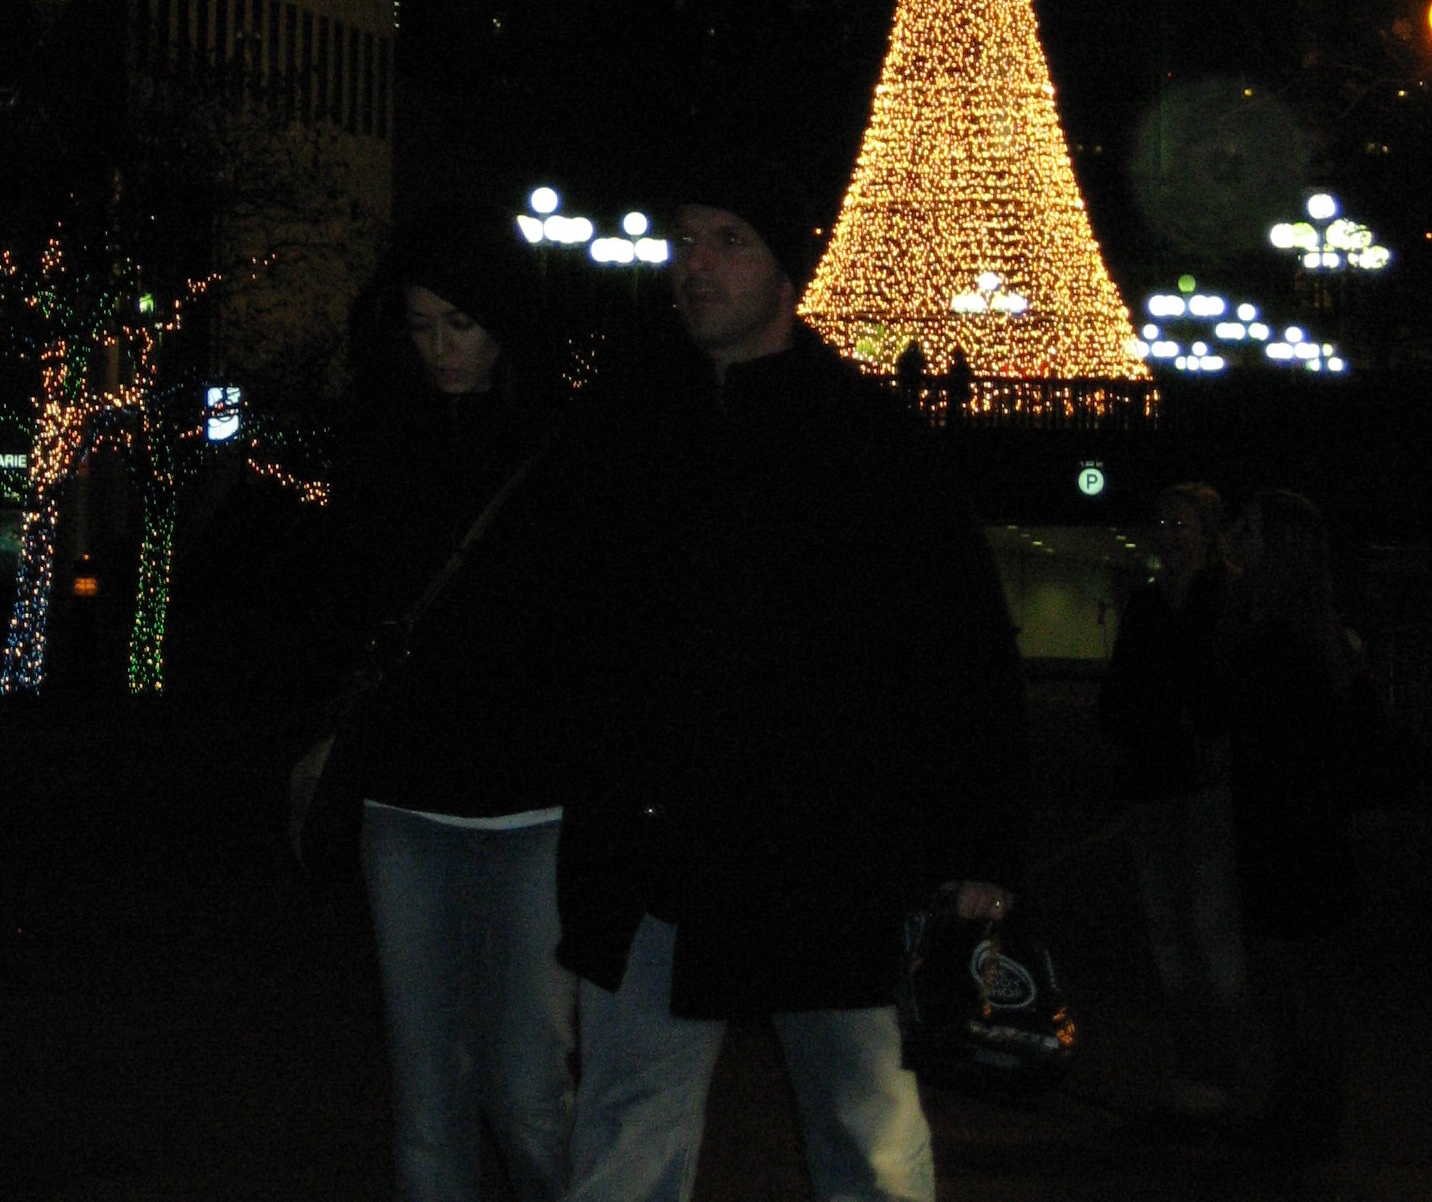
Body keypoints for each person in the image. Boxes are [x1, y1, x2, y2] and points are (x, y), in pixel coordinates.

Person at [556, 158, 1026, 1202]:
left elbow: (960, 652)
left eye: (731, 240)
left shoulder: (873, 442)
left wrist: (977, 842)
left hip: (825, 854)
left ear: (784, 268)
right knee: (631, 1134)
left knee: (864, 1134)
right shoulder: (632, 428)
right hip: (660, 848)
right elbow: (579, 631)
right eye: (685, 238)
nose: (697, 265)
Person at [297, 204, 574, 1202]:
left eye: (460, 323)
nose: (441, 348)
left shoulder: (558, 446)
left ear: (504, 322)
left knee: (528, 1090)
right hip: (407, 805)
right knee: (426, 1096)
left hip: (533, 811)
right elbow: (337, 607)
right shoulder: (381, 441)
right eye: (422, 327)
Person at [1097, 483, 1248, 1123]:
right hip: (1155, 781)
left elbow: (1229, 686)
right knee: (1172, 935)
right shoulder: (1150, 604)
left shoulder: (1226, 598)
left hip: (1203, 783)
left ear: (1208, 533)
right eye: (1164, 524)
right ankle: (1196, 1067)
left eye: (1182, 524)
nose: (1170, 535)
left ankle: (1225, 1072)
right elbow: (1121, 689)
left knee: (1210, 931)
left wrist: (1200, 727)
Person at [1224, 490, 1365, 1171]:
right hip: (1305, 831)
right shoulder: (1319, 634)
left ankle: (1303, 1114)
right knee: (1302, 982)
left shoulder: (1278, 635)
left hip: (1287, 830)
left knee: (1295, 983)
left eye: (1251, 532)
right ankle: (1305, 1111)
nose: (1238, 540)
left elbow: (1253, 727)